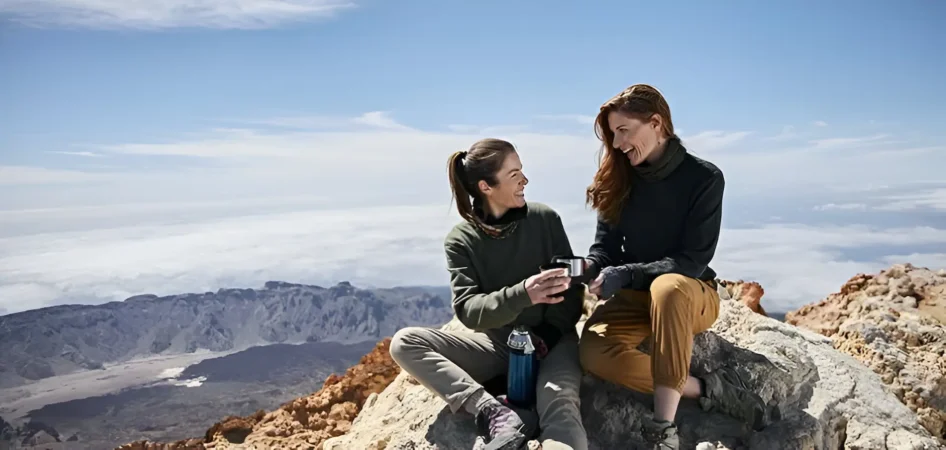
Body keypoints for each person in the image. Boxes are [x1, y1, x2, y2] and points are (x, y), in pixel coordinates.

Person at [577, 84, 775, 450]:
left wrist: (629, 273)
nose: (617, 144)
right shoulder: (618, 176)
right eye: (612, 134)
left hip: (689, 295)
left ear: (656, 123)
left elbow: (692, 260)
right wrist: (589, 267)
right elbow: (605, 249)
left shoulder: (704, 178)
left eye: (624, 131)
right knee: (593, 353)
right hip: (637, 299)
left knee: (667, 286)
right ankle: (710, 389)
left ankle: (663, 429)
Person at [389, 138, 588, 450]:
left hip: (553, 342)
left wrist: (546, 337)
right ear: (486, 187)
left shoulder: (544, 220)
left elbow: (572, 293)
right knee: (404, 343)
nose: (525, 180)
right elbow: (468, 310)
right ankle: (491, 410)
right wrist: (524, 293)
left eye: (522, 171)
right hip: (498, 345)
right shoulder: (461, 240)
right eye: (514, 174)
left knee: (560, 403)